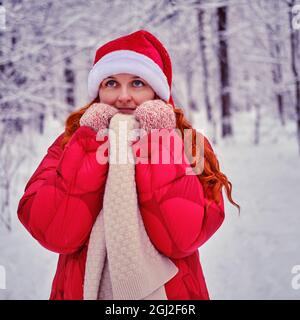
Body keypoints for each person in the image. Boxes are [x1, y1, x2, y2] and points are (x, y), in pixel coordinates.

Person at [17, 30, 240, 300]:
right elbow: (55, 233)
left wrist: (159, 140)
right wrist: (88, 145)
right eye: (111, 83)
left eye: (137, 83)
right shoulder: (70, 144)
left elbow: (182, 239)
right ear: (98, 91)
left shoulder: (188, 144)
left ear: (156, 91)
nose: (123, 96)